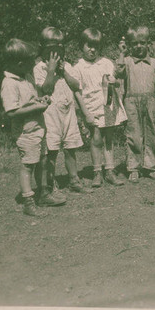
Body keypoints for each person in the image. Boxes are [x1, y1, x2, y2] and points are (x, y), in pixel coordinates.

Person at [0, 38, 66, 216]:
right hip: (25, 132)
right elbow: (12, 112)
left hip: (38, 128)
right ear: (20, 64)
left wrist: (38, 100)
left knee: (42, 161)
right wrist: (36, 107)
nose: (33, 64)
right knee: (28, 165)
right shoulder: (9, 83)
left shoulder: (26, 77)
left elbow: (29, 99)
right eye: (31, 62)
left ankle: (43, 192)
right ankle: (28, 201)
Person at [34, 27, 90, 194]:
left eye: (59, 47)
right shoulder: (40, 68)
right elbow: (46, 89)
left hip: (68, 112)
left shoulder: (66, 66)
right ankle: (50, 183)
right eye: (51, 48)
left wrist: (62, 71)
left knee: (70, 147)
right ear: (42, 48)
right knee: (51, 150)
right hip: (50, 114)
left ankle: (74, 179)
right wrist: (51, 70)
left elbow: (75, 85)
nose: (55, 53)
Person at [74, 28, 127, 188]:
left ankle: (109, 170)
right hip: (92, 108)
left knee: (109, 139)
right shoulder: (79, 67)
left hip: (108, 107)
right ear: (81, 46)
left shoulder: (106, 63)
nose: (92, 49)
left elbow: (118, 81)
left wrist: (114, 82)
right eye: (88, 45)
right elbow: (77, 92)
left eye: (95, 46)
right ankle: (97, 171)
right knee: (96, 139)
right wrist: (85, 112)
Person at [115, 26, 155, 183]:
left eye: (142, 43)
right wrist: (122, 54)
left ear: (148, 43)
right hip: (131, 101)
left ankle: (151, 166)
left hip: (150, 101)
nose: (138, 46)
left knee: (152, 135)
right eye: (134, 43)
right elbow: (119, 73)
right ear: (130, 45)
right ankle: (134, 167)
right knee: (134, 136)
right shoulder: (127, 62)